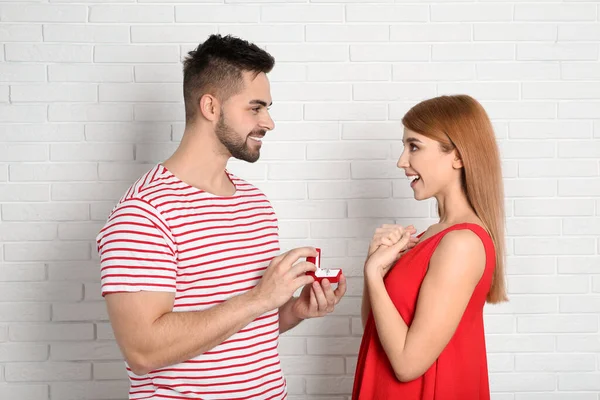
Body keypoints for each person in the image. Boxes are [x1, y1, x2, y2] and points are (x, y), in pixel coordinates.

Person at [96, 34, 347, 400]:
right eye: (255, 108)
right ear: (211, 107)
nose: (269, 122)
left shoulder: (255, 204)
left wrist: (293, 310)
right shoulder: (144, 213)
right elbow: (143, 351)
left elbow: (238, 332)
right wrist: (260, 298)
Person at [352, 95, 507, 400]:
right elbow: (374, 328)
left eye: (414, 146)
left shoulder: (461, 243)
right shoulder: (431, 236)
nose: (401, 161)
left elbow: (408, 364)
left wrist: (373, 275)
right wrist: (375, 265)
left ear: (458, 156)